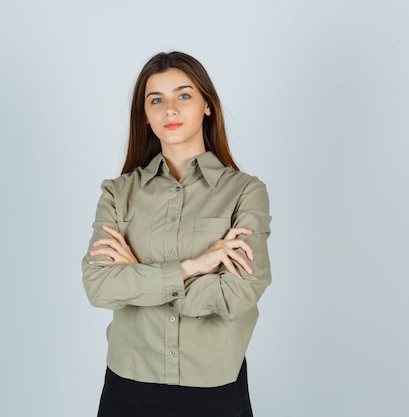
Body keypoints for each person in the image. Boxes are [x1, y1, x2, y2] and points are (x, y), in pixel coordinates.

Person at [82, 51, 271, 417]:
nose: (170, 108)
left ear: (207, 106)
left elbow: (242, 288)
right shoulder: (118, 193)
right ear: (146, 115)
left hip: (214, 387)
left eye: (183, 95)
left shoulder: (245, 192)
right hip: (129, 382)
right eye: (156, 100)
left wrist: (140, 274)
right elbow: (99, 286)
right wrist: (194, 267)